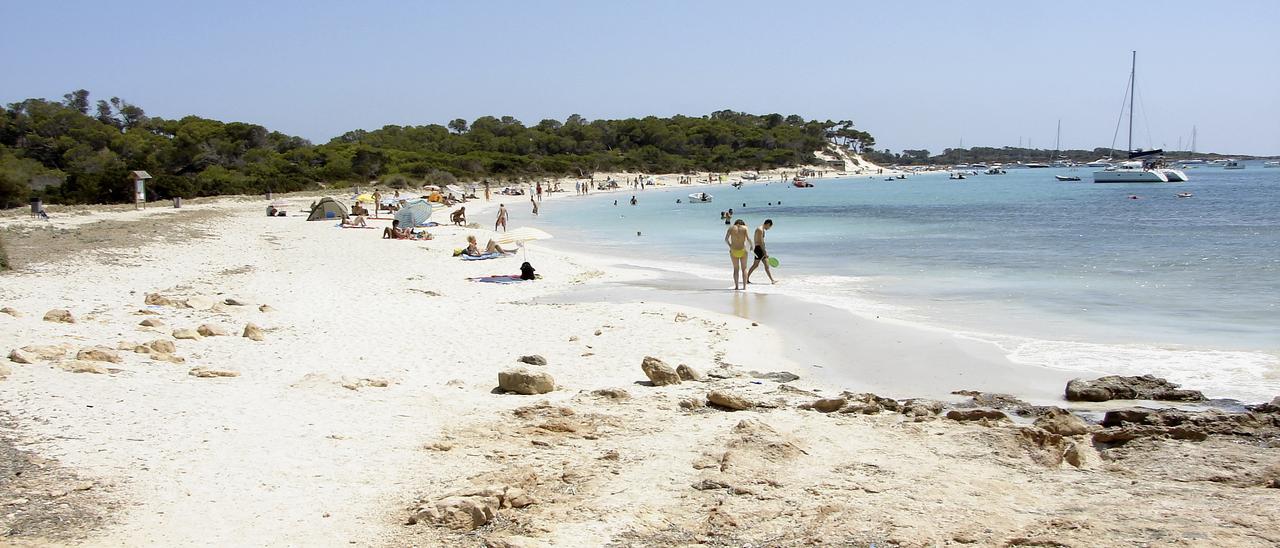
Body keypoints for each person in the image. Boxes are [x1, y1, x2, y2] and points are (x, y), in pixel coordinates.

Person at [724, 219, 752, 291]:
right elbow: (748, 239)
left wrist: (730, 246)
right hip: (743, 250)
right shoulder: (745, 228)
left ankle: (736, 287)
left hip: (734, 250)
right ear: (742, 223)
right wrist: (752, 246)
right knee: (744, 269)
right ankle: (744, 287)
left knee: (736, 269)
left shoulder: (731, 228)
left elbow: (726, 239)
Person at [746, 219, 775, 285]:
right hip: (759, 249)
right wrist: (765, 252)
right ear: (768, 224)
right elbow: (760, 242)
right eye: (770, 227)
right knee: (761, 265)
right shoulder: (760, 230)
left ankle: (772, 280)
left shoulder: (761, 229)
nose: (769, 228)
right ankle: (772, 280)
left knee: (759, 265)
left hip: (758, 249)